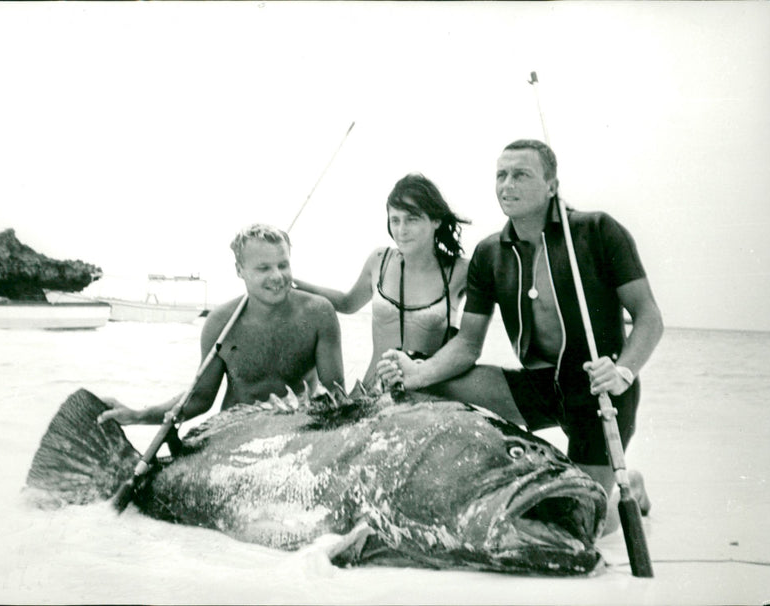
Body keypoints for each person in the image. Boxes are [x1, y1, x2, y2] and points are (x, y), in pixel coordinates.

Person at [377, 140, 663, 534]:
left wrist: (623, 372)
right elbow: (467, 344)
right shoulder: (491, 252)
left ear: (551, 185)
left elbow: (649, 317)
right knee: (436, 385)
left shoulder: (597, 230)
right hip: (537, 387)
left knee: (575, 525)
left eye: (521, 174)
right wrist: (418, 374)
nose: (507, 184)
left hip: (599, 392)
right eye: (501, 175)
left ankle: (624, 492)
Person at [98, 223, 345, 427]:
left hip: (295, 431)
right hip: (232, 433)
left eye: (283, 265)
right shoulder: (220, 323)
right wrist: (138, 415)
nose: (277, 276)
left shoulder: (318, 313)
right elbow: (201, 399)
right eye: (263, 268)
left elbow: (336, 395)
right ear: (240, 270)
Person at [293, 173, 470, 387]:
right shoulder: (380, 260)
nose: (401, 230)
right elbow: (347, 303)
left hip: (428, 390)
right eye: (395, 220)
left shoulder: (460, 271)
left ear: (436, 220)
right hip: (372, 388)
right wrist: (295, 285)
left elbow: (472, 340)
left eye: (412, 219)